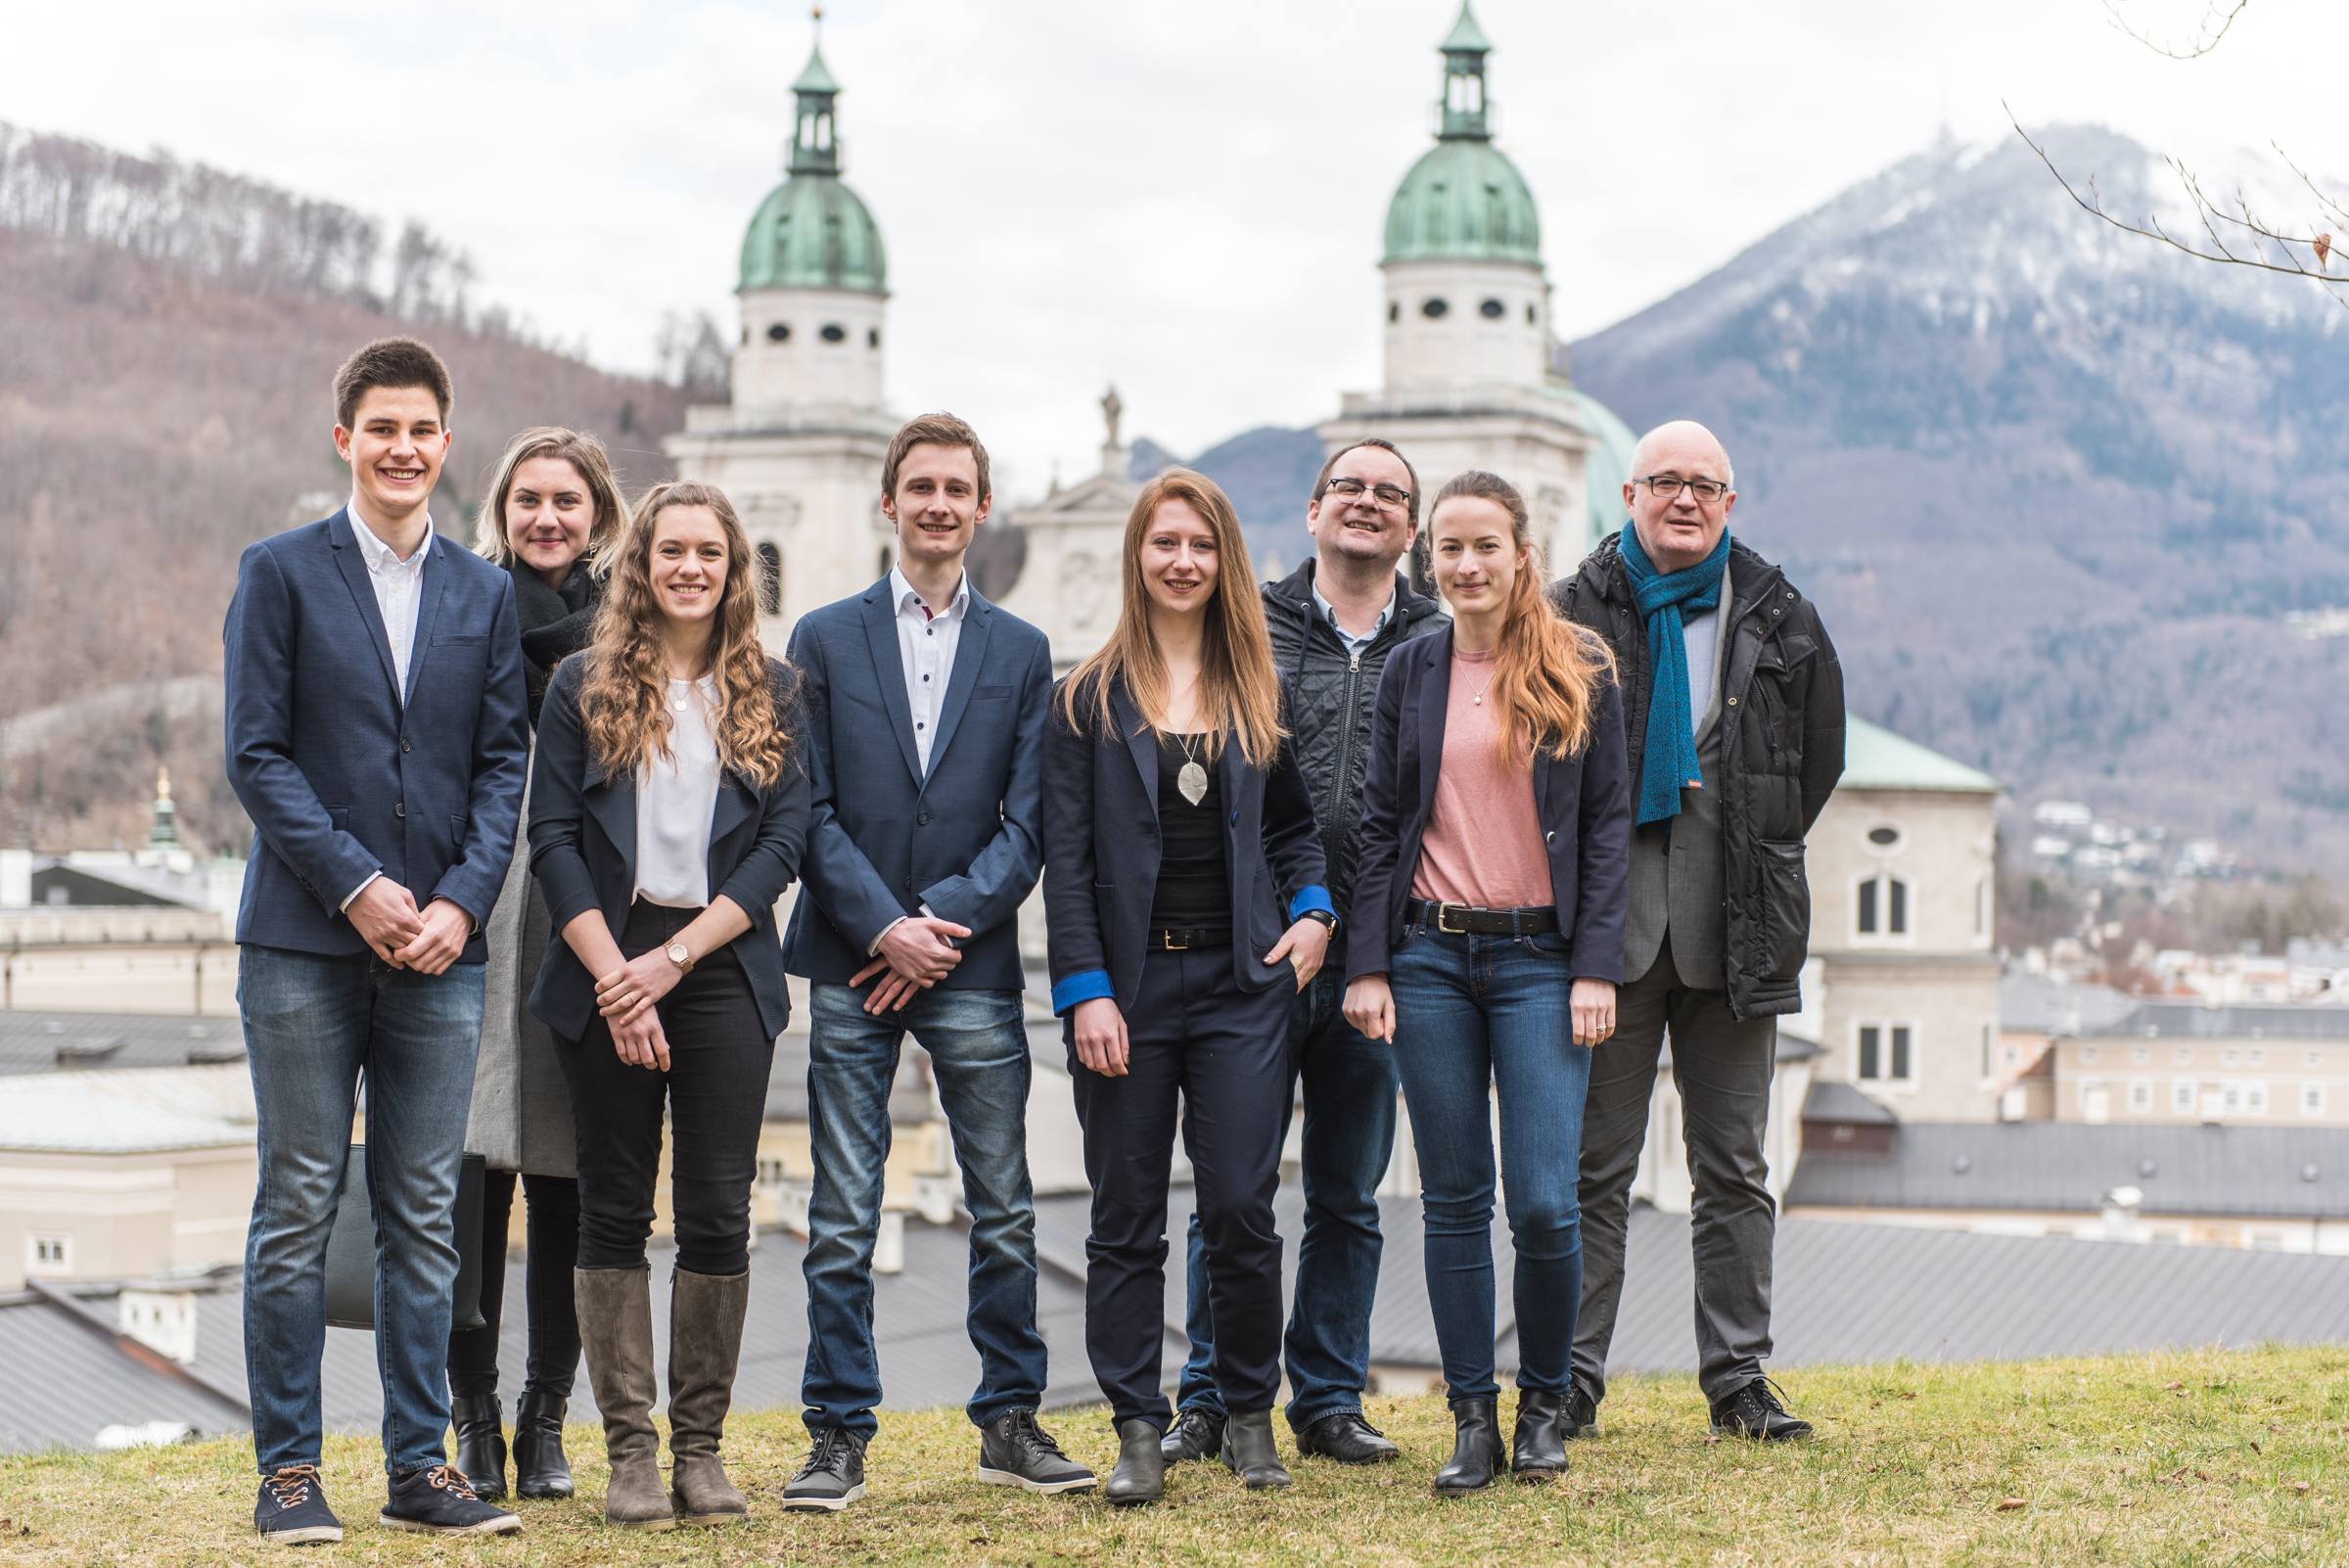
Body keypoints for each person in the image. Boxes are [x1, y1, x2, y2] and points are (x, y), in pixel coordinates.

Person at [223, 336, 530, 1543]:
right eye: (381, 428)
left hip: (446, 951)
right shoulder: (281, 572)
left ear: (447, 447)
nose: (403, 449)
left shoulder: (483, 591)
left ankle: (421, 1467)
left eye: (423, 431)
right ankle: (290, 1474)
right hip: (303, 941)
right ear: (343, 438)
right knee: (298, 1202)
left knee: (423, 1210)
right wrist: (357, 885)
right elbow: (257, 754)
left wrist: (459, 899)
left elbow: (504, 762)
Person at [778, 413, 1090, 1511]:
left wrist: (936, 927)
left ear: (983, 507)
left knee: (1002, 1204)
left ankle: (1010, 1420)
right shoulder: (819, 637)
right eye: (922, 486)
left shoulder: (1020, 650)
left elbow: (1029, 825)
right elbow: (804, 812)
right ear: (890, 501)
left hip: (972, 964)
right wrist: (883, 929)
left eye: (959, 487)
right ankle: (836, 1433)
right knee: (841, 1213)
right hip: (853, 960)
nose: (940, 504)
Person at [1041, 468, 1335, 1506]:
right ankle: (1135, 1429)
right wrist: (1084, 992)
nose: (1182, 561)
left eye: (1201, 546)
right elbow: (1065, 864)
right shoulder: (1082, 700)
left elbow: (1296, 828)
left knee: (1243, 1211)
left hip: (1242, 987)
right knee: (1125, 1216)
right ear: (1138, 557)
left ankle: (1252, 1418)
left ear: (1225, 563)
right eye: (1165, 543)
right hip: (1126, 989)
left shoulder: (1262, 692)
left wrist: (1313, 914)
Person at [1549, 420, 1845, 1442]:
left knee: (1734, 1171)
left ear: (1731, 501)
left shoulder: (1781, 613)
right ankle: (1567, 1380)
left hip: (1737, 933)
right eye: (1665, 481)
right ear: (1628, 492)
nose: (1685, 498)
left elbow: (1812, 765)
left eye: (1704, 485)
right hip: (1605, 942)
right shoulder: (1570, 611)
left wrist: (1748, 852)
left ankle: (1738, 1382)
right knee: (1591, 1172)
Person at [527, 480, 810, 1530]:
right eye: (670, 550)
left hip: (720, 964)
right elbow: (552, 838)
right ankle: (632, 1456)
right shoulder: (581, 686)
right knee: (610, 1205)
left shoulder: (776, 689)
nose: (690, 567)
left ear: (737, 571)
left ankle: (701, 1453)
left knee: (716, 1208)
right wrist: (617, 976)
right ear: (640, 564)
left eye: (710, 553)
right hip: (607, 954)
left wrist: (675, 962)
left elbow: (784, 844)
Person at [1343, 470, 1630, 1496]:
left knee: (1547, 1203)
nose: (1467, 566)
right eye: (1450, 550)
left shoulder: (1579, 664)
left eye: (1486, 548)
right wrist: (1367, 964)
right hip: (1426, 957)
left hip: (1541, 964)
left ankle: (1543, 1406)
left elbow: (1604, 831)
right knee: (1455, 1199)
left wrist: (1597, 967)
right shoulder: (1413, 669)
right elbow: (1383, 827)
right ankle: (1472, 1418)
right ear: (1432, 559)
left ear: (1521, 555)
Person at [1166, 438, 1446, 1469]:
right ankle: (1209, 1393)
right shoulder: (1249, 623)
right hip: (1253, 947)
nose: (1367, 505)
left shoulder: (1441, 637)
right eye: (1350, 489)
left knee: (1347, 1189)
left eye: (1389, 495)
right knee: (1231, 1188)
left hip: (1383, 954)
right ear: (1315, 509)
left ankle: (1327, 1396)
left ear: (1410, 528)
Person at [447, 427, 630, 1501]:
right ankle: (472, 1417)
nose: (546, 517)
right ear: (503, 510)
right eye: (528, 499)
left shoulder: (634, 625)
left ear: (599, 513)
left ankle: (545, 1417)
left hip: (585, 903)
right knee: (472, 1175)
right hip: (475, 894)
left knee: (569, 1172)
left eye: (567, 500)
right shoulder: (463, 605)